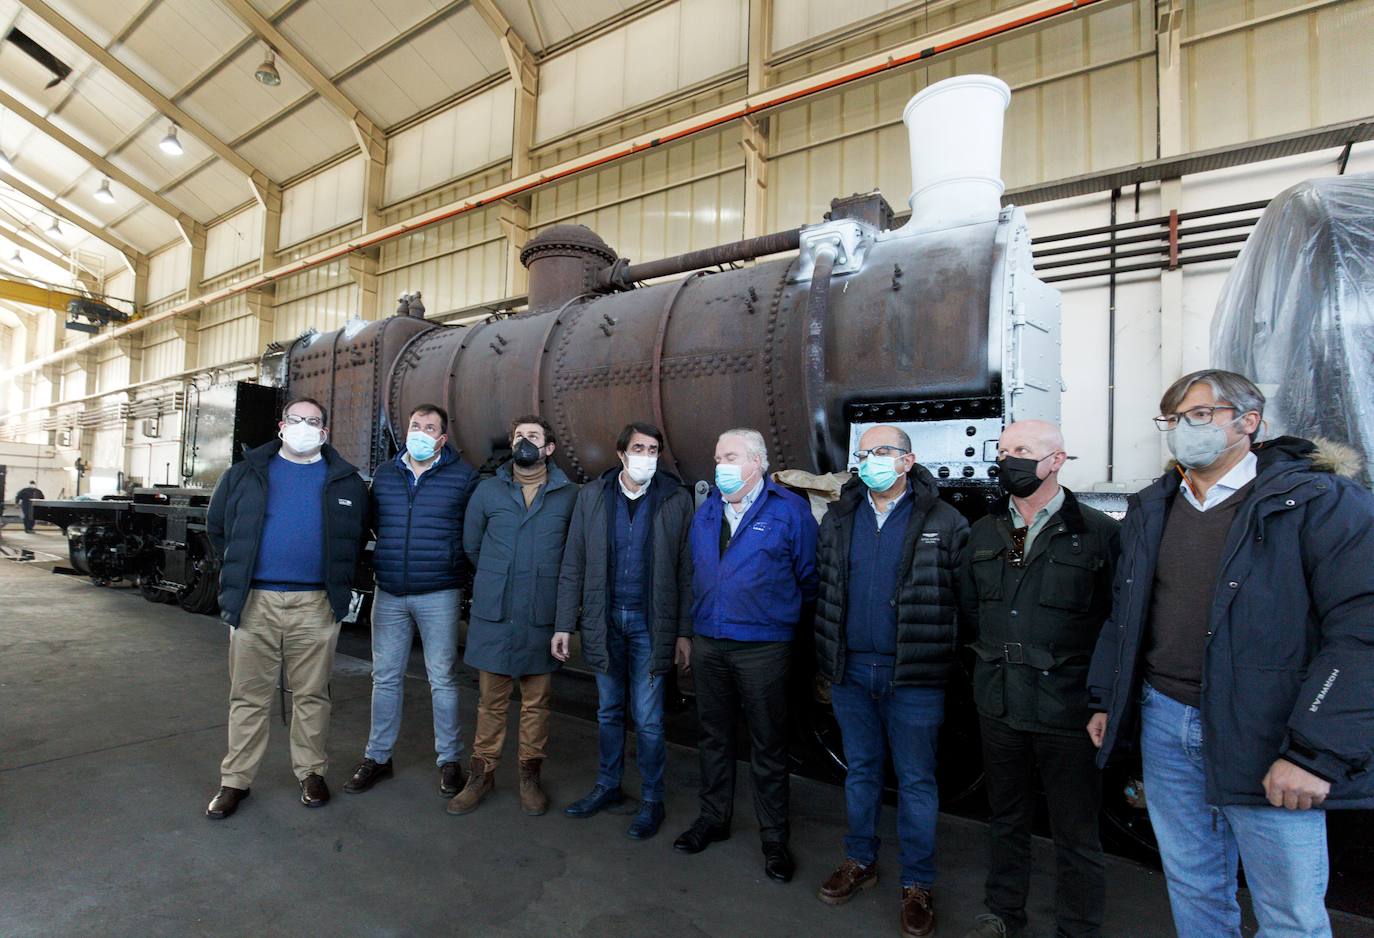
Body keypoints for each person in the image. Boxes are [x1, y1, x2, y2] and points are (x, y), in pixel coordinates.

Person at [1087, 370, 1374, 938]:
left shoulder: (1318, 502)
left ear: (1249, 423)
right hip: (1165, 722)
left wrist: (1317, 752)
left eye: (1199, 415)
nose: (1182, 430)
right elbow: (1126, 614)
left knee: (1288, 910)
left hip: (1269, 734)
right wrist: (1105, 697)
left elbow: (1361, 630)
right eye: (1173, 420)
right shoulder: (1154, 507)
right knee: (1195, 886)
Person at [957, 420, 1118, 938]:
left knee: (1076, 831)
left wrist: (1104, 701)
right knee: (1006, 819)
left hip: (1067, 709)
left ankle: (1077, 927)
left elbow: (1116, 624)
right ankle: (1003, 912)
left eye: (1021, 450)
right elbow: (968, 611)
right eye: (1002, 451)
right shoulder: (983, 531)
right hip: (999, 703)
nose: (1007, 460)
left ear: (1056, 461)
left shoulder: (1098, 533)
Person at [811, 425, 969, 937]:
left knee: (918, 780)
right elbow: (825, 590)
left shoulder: (944, 521)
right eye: (863, 453)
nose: (870, 461)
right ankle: (860, 860)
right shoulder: (839, 518)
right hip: (852, 670)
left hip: (914, 676)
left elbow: (963, 600)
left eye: (881, 452)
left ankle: (917, 883)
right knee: (860, 772)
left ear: (907, 461)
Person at [204, 397, 369, 819]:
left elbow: (356, 541)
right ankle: (235, 781)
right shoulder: (244, 475)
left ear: (325, 432)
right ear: (282, 425)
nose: (304, 427)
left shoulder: (345, 481)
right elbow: (218, 528)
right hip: (255, 601)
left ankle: (311, 771)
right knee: (248, 696)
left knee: (313, 694)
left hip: (315, 605)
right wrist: (241, 579)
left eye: (313, 422)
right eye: (297, 419)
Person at [673, 428, 818, 884]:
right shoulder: (708, 510)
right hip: (711, 642)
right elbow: (694, 572)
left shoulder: (789, 510)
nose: (721, 466)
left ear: (757, 462)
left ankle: (774, 838)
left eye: (730, 457)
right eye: (718, 458)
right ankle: (713, 819)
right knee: (713, 736)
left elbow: (810, 578)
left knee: (767, 744)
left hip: (763, 647)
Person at [552, 422, 693, 840]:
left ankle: (652, 799)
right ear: (620, 454)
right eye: (638, 448)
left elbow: (687, 569)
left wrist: (683, 631)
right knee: (609, 711)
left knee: (648, 719)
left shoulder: (675, 499)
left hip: (650, 624)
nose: (646, 456)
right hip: (605, 619)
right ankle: (608, 786)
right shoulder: (593, 497)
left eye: (653, 449)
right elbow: (573, 563)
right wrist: (564, 623)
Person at [344, 404, 478, 800]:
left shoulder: (463, 478)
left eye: (429, 427)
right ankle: (378, 757)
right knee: (384, 677)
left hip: (439, 591)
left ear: (442, 438)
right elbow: (372, 522)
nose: (420, 432)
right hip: (390, 591)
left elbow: (470, 533)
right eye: (415, 425)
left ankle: (449, 760)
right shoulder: (386, 474)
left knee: (442, 678)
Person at [450, 415, 578, 817]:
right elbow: (472, 546)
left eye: (533, 437)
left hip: (539, 614)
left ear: (549, 448)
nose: (525, 441)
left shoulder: (568, 495)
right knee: (491, 702)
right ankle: (481, 774)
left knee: (537, 703)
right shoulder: (488, 491)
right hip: (496, 612)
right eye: (519, 436)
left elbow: (574, 556)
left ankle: (529, 775)